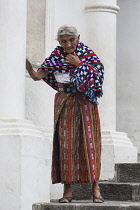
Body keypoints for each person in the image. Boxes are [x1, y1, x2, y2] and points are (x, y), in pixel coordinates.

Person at [26, 25, 104, 203]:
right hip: (64, 102)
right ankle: (67, 191)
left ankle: (96, 189)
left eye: (71, 40)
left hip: (86, 102)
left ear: (78, 38)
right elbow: (38, 76)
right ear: (59, 42)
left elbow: (98, 78)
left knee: (90, 141)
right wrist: (29, 68)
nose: (68, 44)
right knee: (65, 144)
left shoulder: (87, 55)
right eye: (64, 41)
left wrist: (79, 64)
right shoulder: (56, 57)